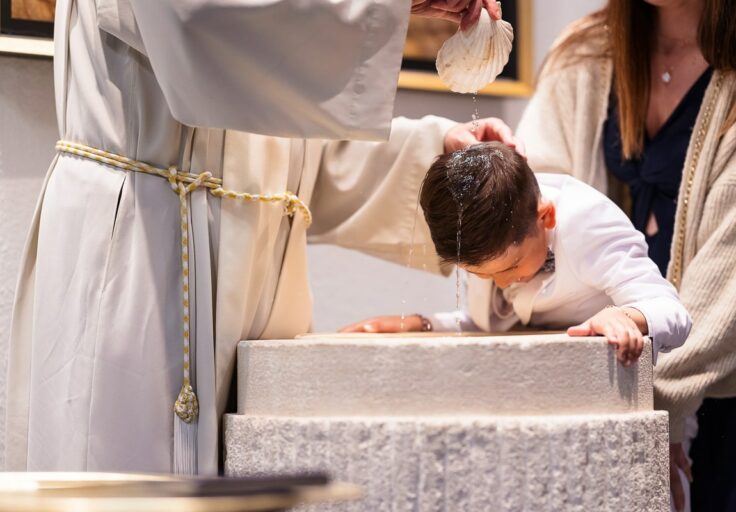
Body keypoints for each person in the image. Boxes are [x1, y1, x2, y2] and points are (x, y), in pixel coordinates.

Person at [4, 0, 517, 475]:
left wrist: (430, 153)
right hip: (140, 258)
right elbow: (201, 15)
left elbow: (283, 155)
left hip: (257, 295)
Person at [498, 1, 736, 509]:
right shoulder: (583, 53)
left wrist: (650, 414)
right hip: (605, 393)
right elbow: (530, 226)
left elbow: (733, 288)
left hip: (728, 399)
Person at [342, 142, 692, 367]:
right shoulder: (486, 227)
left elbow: (673, 312)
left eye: (510, 266)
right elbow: (490, 323)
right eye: (483, 275)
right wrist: (421, 324)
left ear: (546, 217)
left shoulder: (589, 223)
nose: (503, 283)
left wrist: (627, 317)